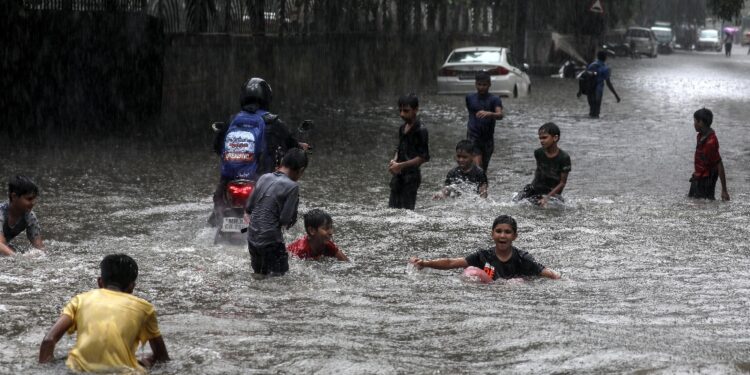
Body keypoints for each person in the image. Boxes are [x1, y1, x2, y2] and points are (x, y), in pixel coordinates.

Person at [39, 254, 169, 372]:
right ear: (132, 286)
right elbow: (162, 357)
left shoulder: (80, 300)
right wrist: (146, 361)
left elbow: (48, 341)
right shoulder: (144, 308)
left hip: (78, 370)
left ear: (100, 282)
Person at [210, 77, 309, 226]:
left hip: (230, 180)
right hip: (259, 180)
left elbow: (217, 147)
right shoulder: (274, 122)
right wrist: (299, 147)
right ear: (267, 98)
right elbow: (291, 145)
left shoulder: (233, 120)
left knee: (218, 203)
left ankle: (214, 224)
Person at [409, 215, 560, 281]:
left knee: (516, 283)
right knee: (470, 273)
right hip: (489, 289)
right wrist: (425, 263)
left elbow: (546, 272)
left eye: (507, 232)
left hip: (514, 292)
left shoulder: (523, 259)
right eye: (499, 231)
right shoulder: (483, 256)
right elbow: (451, 263)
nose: (503, 236)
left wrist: (559, 278)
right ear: (492, 234)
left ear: (515, 236)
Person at [246, 148, 308, 277]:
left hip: (252, 238)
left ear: (282, 163)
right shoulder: (292, 186)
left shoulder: (264, 177)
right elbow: (285, 220)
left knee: (259, 277)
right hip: (271, 241)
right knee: (279, 281)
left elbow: (249, 207)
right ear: (301, 170)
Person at [514, 122, 571, 207]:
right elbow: (539, 172)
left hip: (552, 192)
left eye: (544, 138)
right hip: (536, 188)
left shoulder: (564, 157)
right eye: (540, 138)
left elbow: (562, 183)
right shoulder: (538, 153)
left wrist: (547, 197)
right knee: (514, 203)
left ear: (555, 138)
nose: (541, 141)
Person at [388, 94, 430, 210]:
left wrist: (401, 165)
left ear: (416, 110)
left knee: (407, 213)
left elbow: (423, 157)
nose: (402, 114)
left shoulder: (421, 130)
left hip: (411, 177)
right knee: (392, 210)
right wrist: (394, 160)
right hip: (399, 175)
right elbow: (399, 148)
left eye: (406, 111)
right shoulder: (402, 128)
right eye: (400, 110)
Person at [465, 71, 503, 173]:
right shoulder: (469, 98)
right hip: (473, 136)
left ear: (489, 84)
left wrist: (490, 114)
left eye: (484, 85)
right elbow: (471, 113)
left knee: (483, 170)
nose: (481, 87)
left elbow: (500, 115)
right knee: (478, 166)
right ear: (475, 84)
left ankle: (481, 187)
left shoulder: (495, 99)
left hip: (487, 139)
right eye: (479, 84)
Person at [689, 108, 729, 201]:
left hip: (706, 179)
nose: (693, 124)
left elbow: (719, 164)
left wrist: (724, 190)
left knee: (704, 203)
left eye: (695, 121)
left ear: (701, 122)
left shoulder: (710, 142)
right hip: (699, 176)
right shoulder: (700, 136)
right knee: (692, 201)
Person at [1, 175, 44, 256]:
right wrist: (19, 259)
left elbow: (39, 247)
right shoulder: (1, 213)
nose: (33, 202)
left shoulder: (30, 217)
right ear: (14, 196)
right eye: (29, 199)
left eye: (35, 198)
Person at [577, 50, 621, 118]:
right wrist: (616, 95)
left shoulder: (591, 65)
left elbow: (583, 78)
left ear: (597, 57)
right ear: (605, 58)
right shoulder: (606, 68)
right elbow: (608, 83)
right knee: (596, 112)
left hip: (590, 90)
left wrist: (580, 90)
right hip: (598, 91)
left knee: (591, 110)